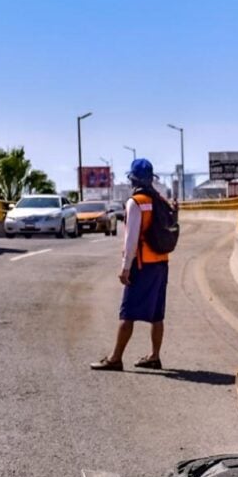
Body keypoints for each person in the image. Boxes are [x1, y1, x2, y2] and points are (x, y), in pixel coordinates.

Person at [91, 158, 170, 371]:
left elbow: (131, 239)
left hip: (142, 265)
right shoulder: (161, 200)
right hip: (161, 263)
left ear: (132, 179)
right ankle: (154, 356)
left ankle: (115, 358)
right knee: (157, 314)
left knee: (127, 313)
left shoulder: (136, 202)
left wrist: (126, 268)